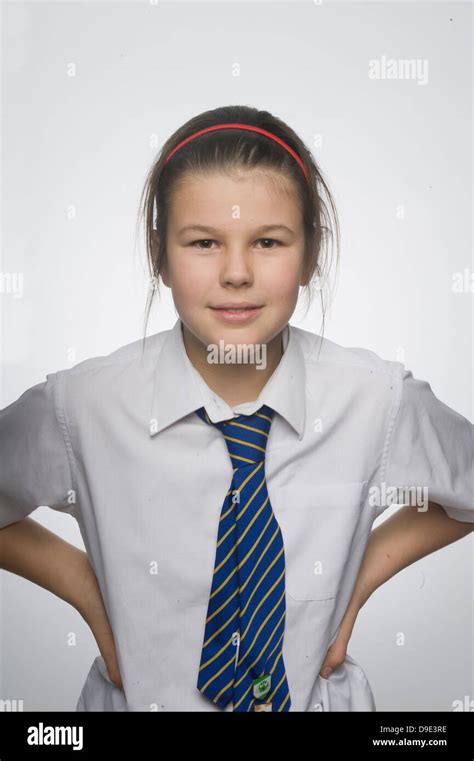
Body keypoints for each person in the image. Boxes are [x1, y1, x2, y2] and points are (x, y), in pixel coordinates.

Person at [0, 105, 472, 712]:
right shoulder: (83, 407)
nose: (237, 273)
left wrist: (354, 587)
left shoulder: (376, 400)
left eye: (269, 242)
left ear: (309, 253)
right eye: (203, 243)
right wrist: (87, 591)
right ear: (159, 256)